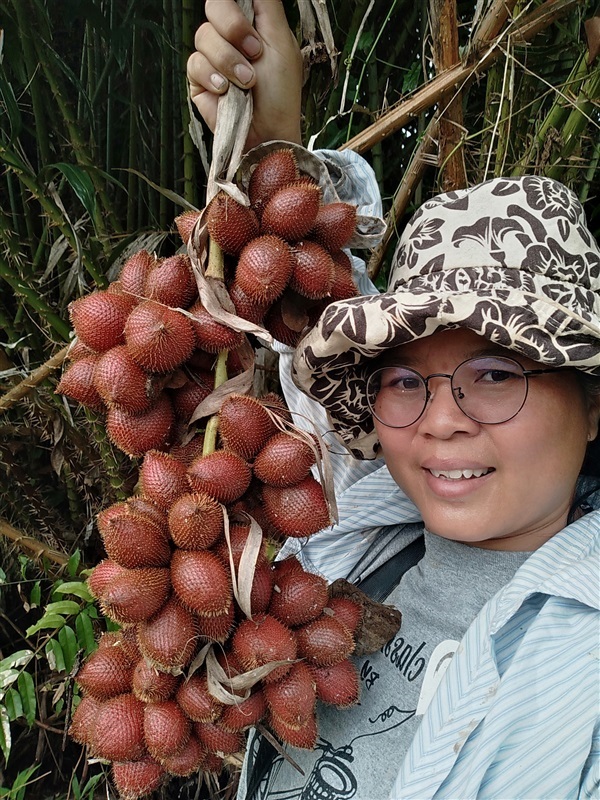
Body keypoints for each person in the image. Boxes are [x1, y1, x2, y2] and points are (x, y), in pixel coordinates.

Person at [188, 3, 600, 799]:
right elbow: (290, 317)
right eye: (407, 380)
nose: (440, 418)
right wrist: (269, 136)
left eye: (496, 374)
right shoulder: (363, 519)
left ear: (590, 405)